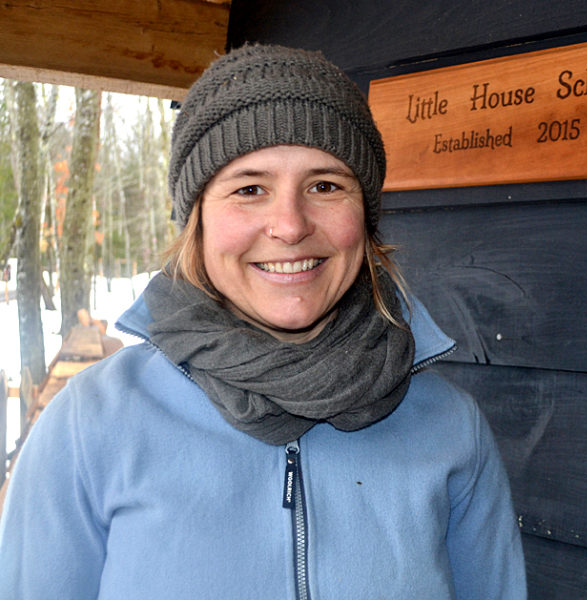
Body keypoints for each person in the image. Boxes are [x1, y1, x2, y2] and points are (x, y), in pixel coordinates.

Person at [0, 44, 526, 599]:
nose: (290, 225)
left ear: (365, 220)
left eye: (325, 185)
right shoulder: (91, 426)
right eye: (249, 189)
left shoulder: (449, 429)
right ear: (196, 220)